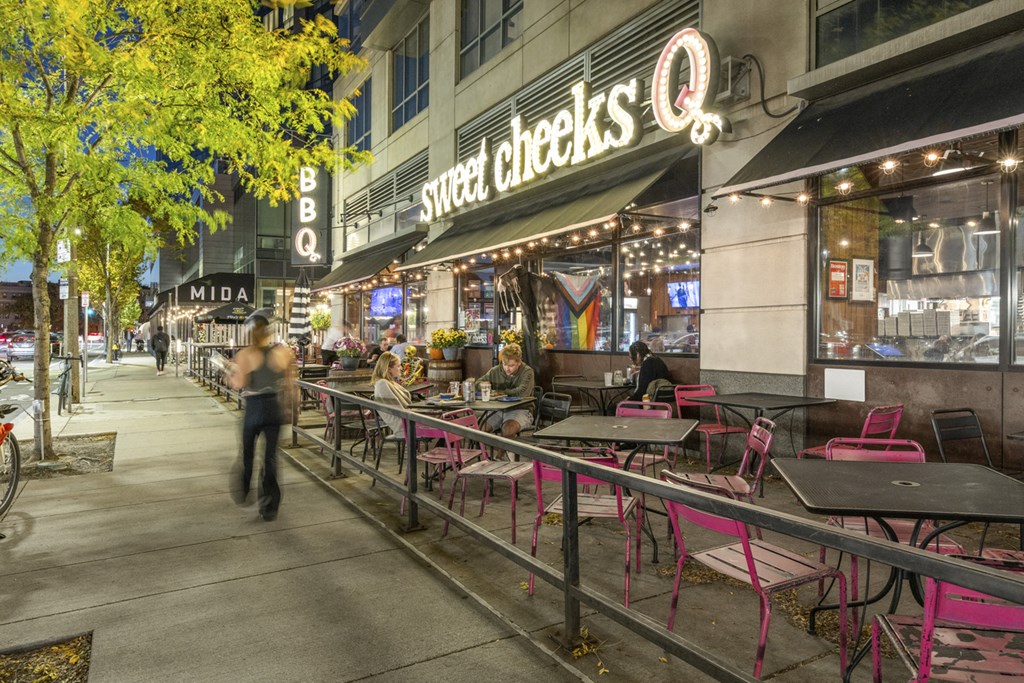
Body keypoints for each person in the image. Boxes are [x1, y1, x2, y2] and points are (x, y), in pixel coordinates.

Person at [225, 308, 296, 521]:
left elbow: (239, 385)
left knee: (247, 453)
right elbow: (290, 386)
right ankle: (270, 504)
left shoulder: (245, 354)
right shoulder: (282, 353)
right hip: (274, 407)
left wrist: (229, 373)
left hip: (254, 408)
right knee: (271, 457)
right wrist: (291, 407)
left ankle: (245, 487)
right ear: (269, 331)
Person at [476, 343, 534, 440]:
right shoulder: (495, 370)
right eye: (504, 364)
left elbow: (522, 393)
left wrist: (501, 392)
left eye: (511, 365)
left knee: (508, 429)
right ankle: (483, 453)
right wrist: (484, 385)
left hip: (521, 409)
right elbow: (477, 383)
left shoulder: (527, 371)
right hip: (497, 409)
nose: (506, 368)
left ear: (519, 362)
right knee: (479, 427)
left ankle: (500, 455)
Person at [371, 351, 412, 436]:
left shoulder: (388, 382)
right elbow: (397, 412)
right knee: (444, 427)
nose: (401, 368)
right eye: (398, 365)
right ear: (388, 369)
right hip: (405, 427)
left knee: (444, 424)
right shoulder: (382, 384)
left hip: (409, 422)